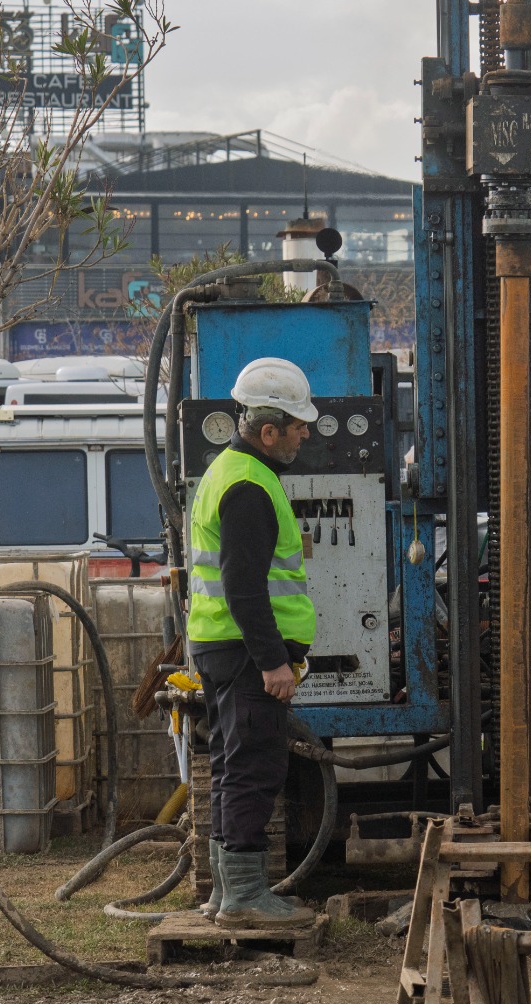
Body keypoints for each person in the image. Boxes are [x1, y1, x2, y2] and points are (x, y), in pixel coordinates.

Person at [187, 357, 322, 926]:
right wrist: (273, 661)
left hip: (219, 647)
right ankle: (243, 897)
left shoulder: (228, 472)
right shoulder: (248, 486)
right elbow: (244, 588)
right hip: (247, 655)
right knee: (253, 769)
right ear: (268, 432)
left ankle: (226, 893)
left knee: (229, 764)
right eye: (297, 426)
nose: (305, 434)